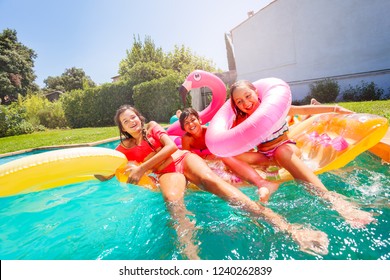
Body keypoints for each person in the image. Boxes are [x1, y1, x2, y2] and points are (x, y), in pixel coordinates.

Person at [114, 104, 329, 259]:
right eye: (126, 121)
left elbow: (170, 147)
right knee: (173, 204)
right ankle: (193, 258)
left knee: (216, 184)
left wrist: (142, 167)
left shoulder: (152, 127)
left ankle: (291, 230)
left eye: (133, 117)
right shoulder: (124, 148)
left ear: (139, 117)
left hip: (183, 158)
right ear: (122, 128)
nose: (132, 122)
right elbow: (112, 165)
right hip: (167, 173)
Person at [228, 80, 374, 228]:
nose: (246, 103)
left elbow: (302, 110)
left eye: (248, 96)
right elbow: (230, 143)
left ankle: (336, 202)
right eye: (239, 101)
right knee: (231, 156)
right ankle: (272, 163)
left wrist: (336, 109)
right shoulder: (242, 120)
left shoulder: (274, 108)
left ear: (256, 92)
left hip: (286, 148)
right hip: (266, 156)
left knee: (281, 152)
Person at [180, 107, 279, 201]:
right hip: (211, 158)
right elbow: (187, 157)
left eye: (193, 120)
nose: (191, 124)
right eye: (186, 123)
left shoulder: (208, 132)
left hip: (222, 153)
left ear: (199, 120)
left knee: (230, 158)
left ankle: (267, 165)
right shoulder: (186, 139)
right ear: (183, 128)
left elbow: (225, 146)